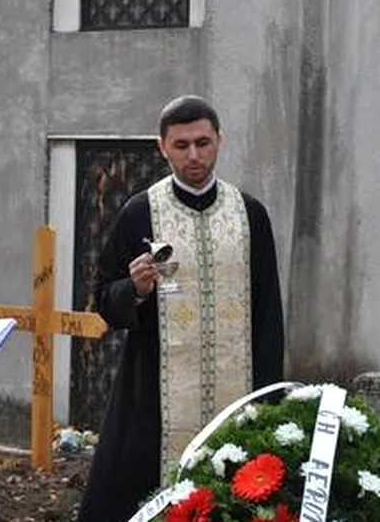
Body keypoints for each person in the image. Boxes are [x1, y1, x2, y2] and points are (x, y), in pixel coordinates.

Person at [78, 95, 285, 522]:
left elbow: (269, 312)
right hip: (155, 397)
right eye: (182, 145)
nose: (194, 155)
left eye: (203, 143)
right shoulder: (139, 213)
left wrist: (269, 396)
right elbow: (103, 299)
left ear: (220, 141)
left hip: (238, 394)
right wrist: (133, 289)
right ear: (162, 147)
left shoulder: (250, 214)